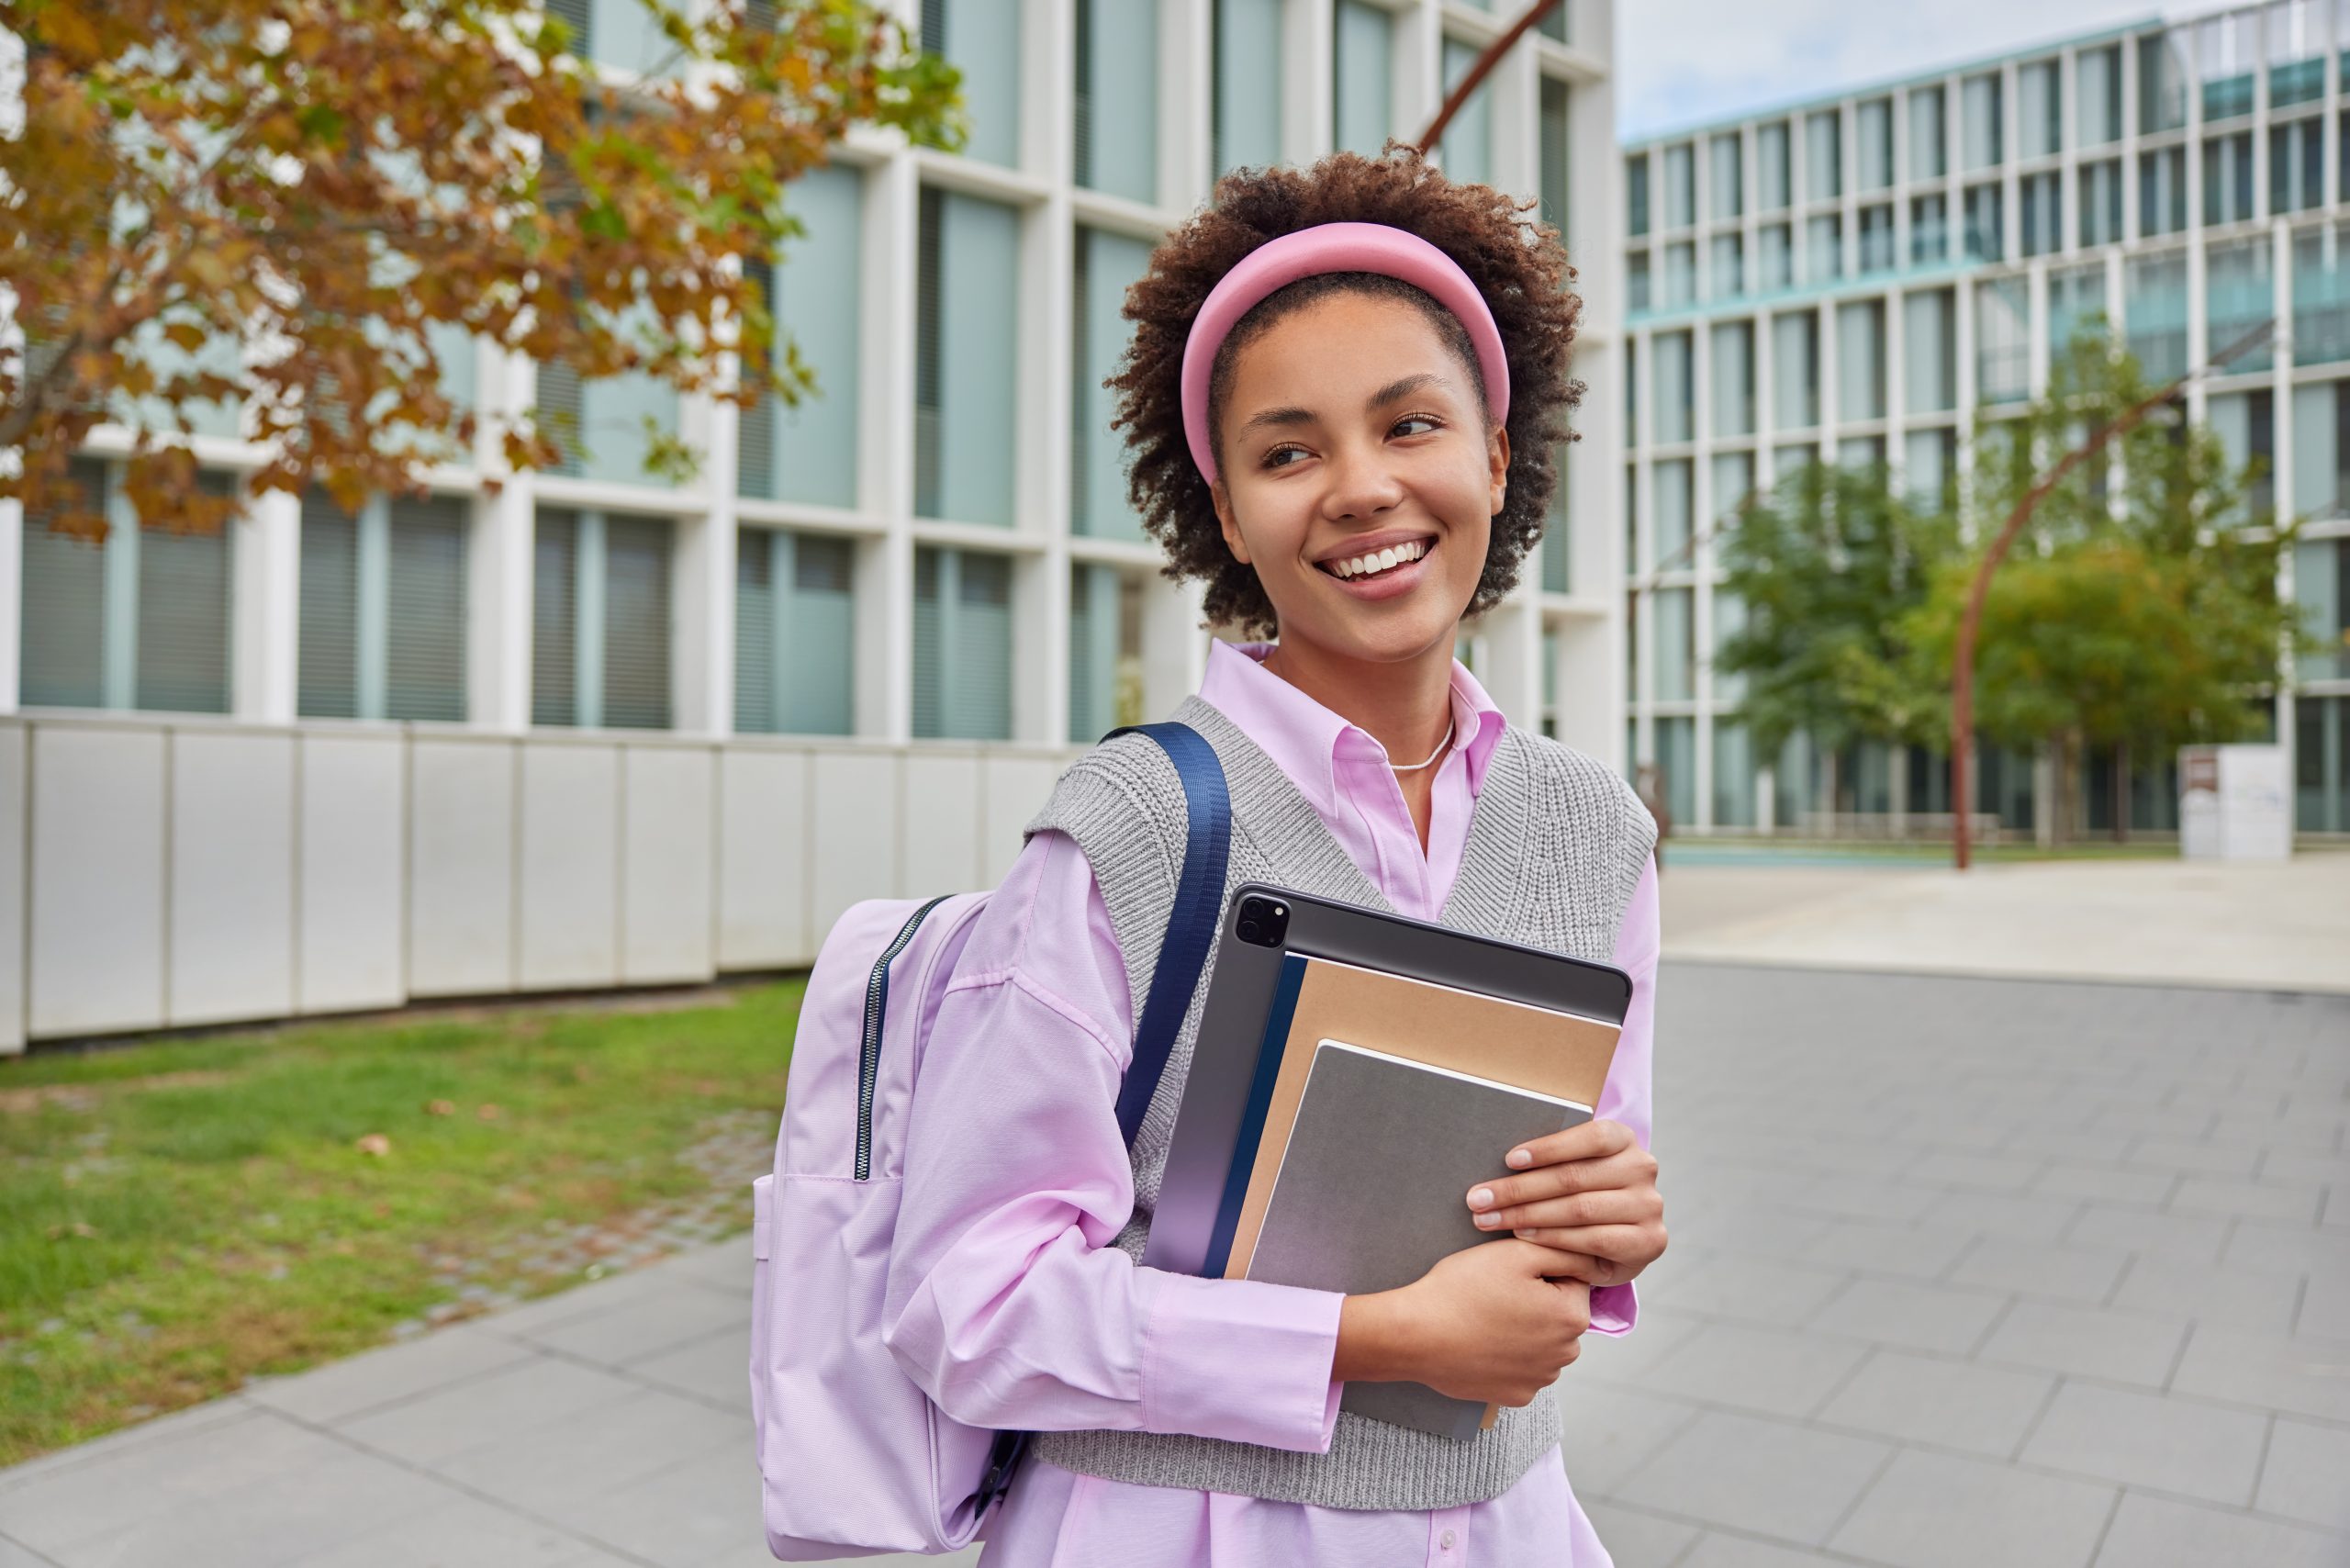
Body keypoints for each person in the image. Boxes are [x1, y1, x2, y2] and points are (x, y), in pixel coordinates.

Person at [882, 146, 1666, 1566]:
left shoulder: (1591, 826)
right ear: (1229, 515)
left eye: (1410, 423)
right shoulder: (1128, 827)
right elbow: (965, 1301)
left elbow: (1575, 1191)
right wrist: (1370, 1340)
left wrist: (1610, 1218)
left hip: (1502, 1529)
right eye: (1289, 451)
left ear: (1494, 455)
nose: (1363, 489)